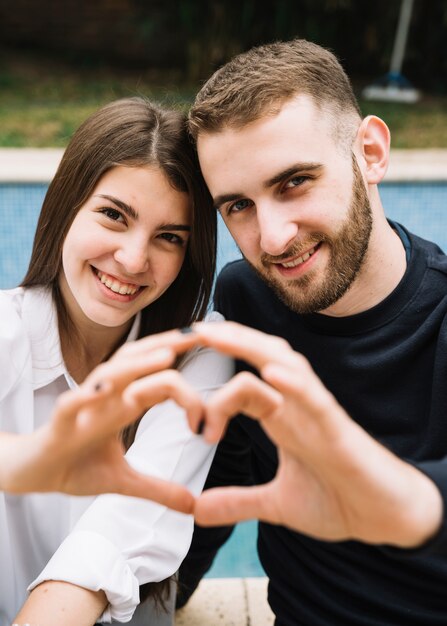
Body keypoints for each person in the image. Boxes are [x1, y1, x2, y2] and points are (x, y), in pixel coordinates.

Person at [175, 39, 447, 625]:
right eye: (237, 206)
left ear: (370, 153)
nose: (271, 239)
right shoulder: (248, 298)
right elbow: (229, 468)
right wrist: (158, 599)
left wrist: (392, 498)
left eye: (294, 182)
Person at [2, 96, 233, 626]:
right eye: (113, 215)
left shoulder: (199, 358)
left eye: (168, 237)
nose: (132, 260)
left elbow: (121, 531)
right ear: (66, 207)